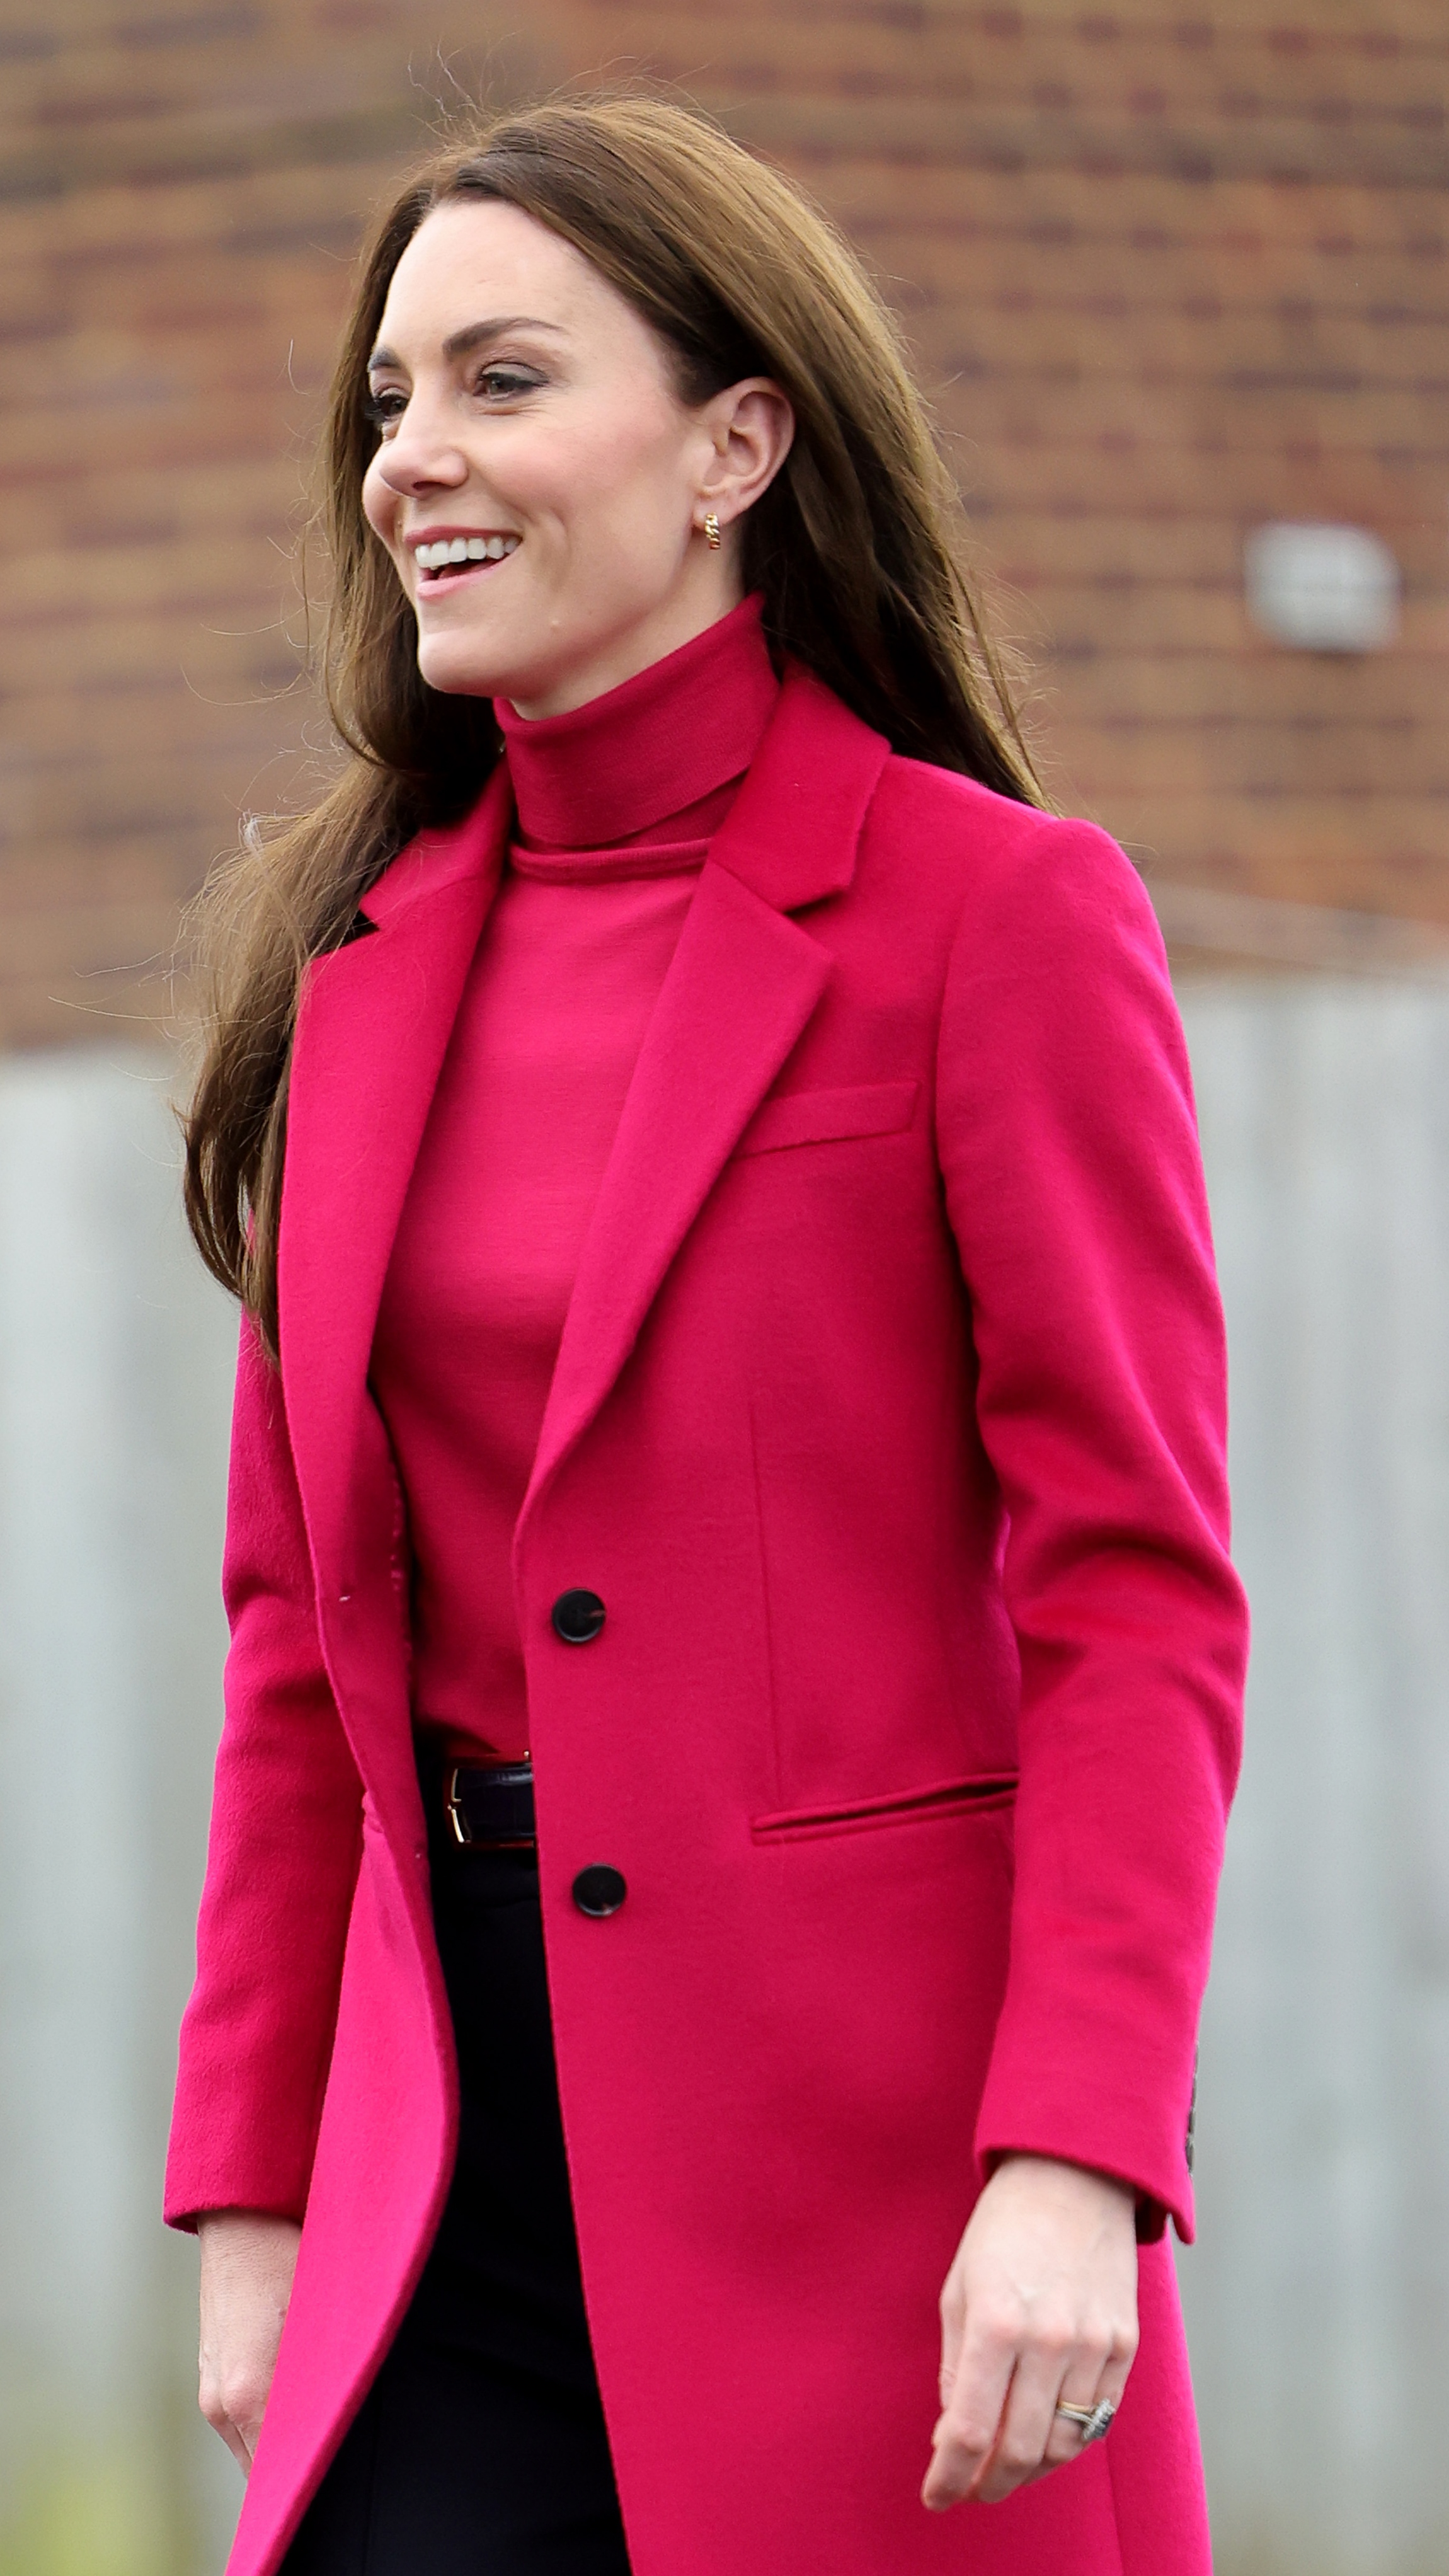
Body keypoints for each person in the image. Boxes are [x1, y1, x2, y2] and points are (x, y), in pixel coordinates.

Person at [167, 93, 1248, 2576]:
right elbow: (284, 1632)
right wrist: (249, 2185)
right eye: (386, 400)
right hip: (432, 2172)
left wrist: (1074, 2147)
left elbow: (1131, 1589)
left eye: (499, 382)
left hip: (875, 2177)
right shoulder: (350, 977)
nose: (409, 458)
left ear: (737, 443)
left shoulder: (994, 918)